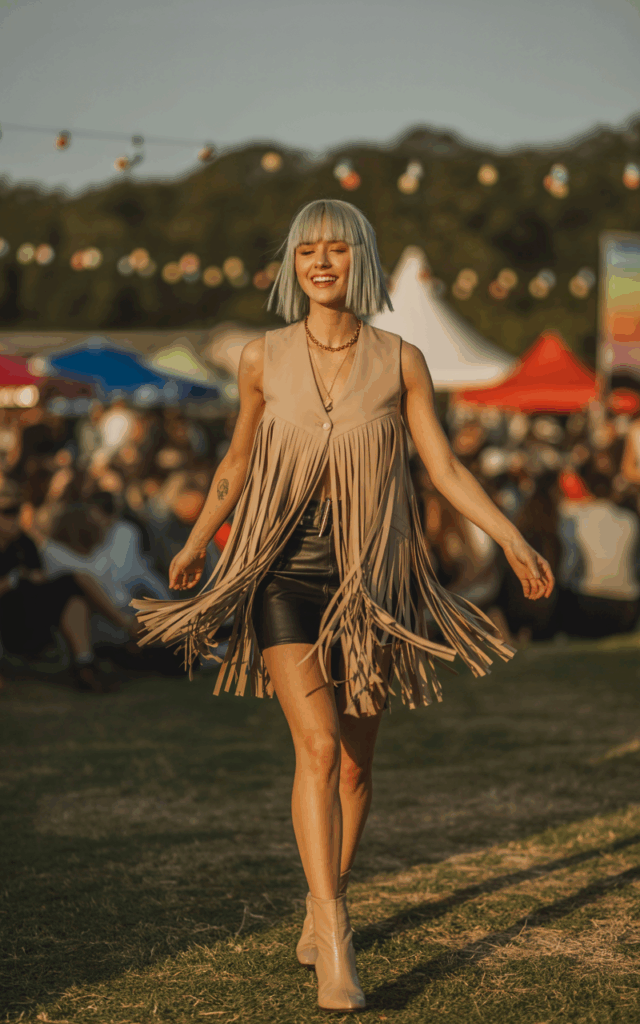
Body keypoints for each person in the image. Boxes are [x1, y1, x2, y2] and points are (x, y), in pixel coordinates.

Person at [130, 199, 554, 1013]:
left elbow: (444, 468)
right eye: (307, 251)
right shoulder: (260, 357)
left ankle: (324, 894)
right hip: (281, 573)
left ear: (363, 259)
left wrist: (510, 538)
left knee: (356, 764)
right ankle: (334, 933)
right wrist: (196, 541)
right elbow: (235, 463)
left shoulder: (402, 360)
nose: (321, 263)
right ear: (293, 266)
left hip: (372, 581)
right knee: (319, 748)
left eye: (336, 249)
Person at [0, 479, 112, 692]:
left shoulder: (24, 543)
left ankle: (85, 665)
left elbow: (39, 577)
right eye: (7, 512)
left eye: (17, 511)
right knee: (74, 581)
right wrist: (15, 578)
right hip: (7, 620)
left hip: (31, 614)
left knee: (73, 589)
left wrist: (28, 578)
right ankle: (127, 627)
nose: (14, 518)